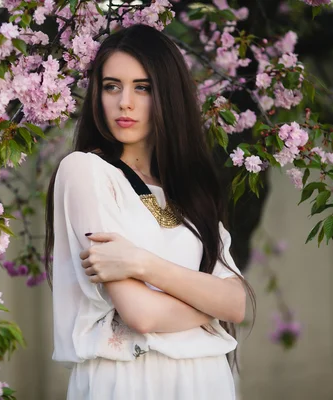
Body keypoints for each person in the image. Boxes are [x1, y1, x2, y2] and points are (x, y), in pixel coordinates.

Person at [44, 24, 255, 400]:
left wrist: (141, 263)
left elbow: (237, 304)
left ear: (168, 95)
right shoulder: (87, 172)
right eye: (112, 86)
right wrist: (208, 303)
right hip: (128, 380)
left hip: (207, 381)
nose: (125, 102)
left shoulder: (190, 192)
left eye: (143, 87)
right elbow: (140, 315)